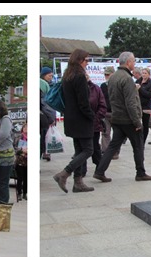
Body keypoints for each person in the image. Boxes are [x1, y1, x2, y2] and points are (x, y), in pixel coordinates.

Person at [93, 52, 151, 184]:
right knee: (138, 146)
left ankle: (99, 171)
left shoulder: (113, 77)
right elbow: (131, 103)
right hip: (128, 119)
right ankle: (140, 172)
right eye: (133, 61)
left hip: (117, 117)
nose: (134, 64)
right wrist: (137, 122)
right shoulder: (127, 79)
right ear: (128, 62)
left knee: (113, 146)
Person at [51, 49, 96, 194]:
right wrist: (92, 116)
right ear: (79, 60)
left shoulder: (67, 76)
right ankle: (64, 174)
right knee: (89, 149)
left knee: (79, 150)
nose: (87, 63)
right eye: (86, 60)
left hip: (70, 118)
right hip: (81, 119)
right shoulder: (79, 76)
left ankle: (78, 183)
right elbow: (83, 102)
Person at [137, 67, 151, 147]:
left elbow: (149, 95)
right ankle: (137, 140)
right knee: (136, 124)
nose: (144, 75)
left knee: (145, 125)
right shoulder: (138, 81)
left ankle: (142, 143)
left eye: (145, 73)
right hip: (137, 106)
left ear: (148, 74)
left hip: (145, 107)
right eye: (143, 73)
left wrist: (140, 89)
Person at [40, 66, 55, 162]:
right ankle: (44, 151)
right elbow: (44, 103)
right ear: (44, 75)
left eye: (52, 76)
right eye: (49, 75)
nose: (51, 77)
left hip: (50, 112)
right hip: (45, 114)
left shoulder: (52, 85)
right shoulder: (41, 86)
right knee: (43, 134)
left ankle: (47, 151)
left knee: (48, 134)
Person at [14, 122, 28, 201]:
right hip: (20, 160)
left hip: (28, 161)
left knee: (27, 178)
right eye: (25, 128)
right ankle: (19, 193)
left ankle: (25, 193)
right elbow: (15, 148)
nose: (26, 130)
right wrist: (21, 151)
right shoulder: (19, 137)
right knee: (20, 178)